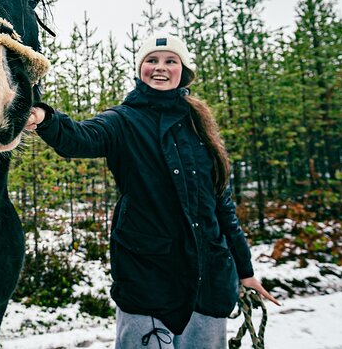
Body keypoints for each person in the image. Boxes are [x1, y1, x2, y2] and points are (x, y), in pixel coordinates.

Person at [25, 33, 280, 348]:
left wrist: (245, 271)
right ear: (140, 69)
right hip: (147, 280)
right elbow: (81, 137)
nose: (160, 68)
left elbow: (221, 206)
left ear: (182, 71)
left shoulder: (200, 126)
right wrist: (45, 119)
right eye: (152, 60)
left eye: (170, 61)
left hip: (208, 282)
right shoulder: (122, 121)